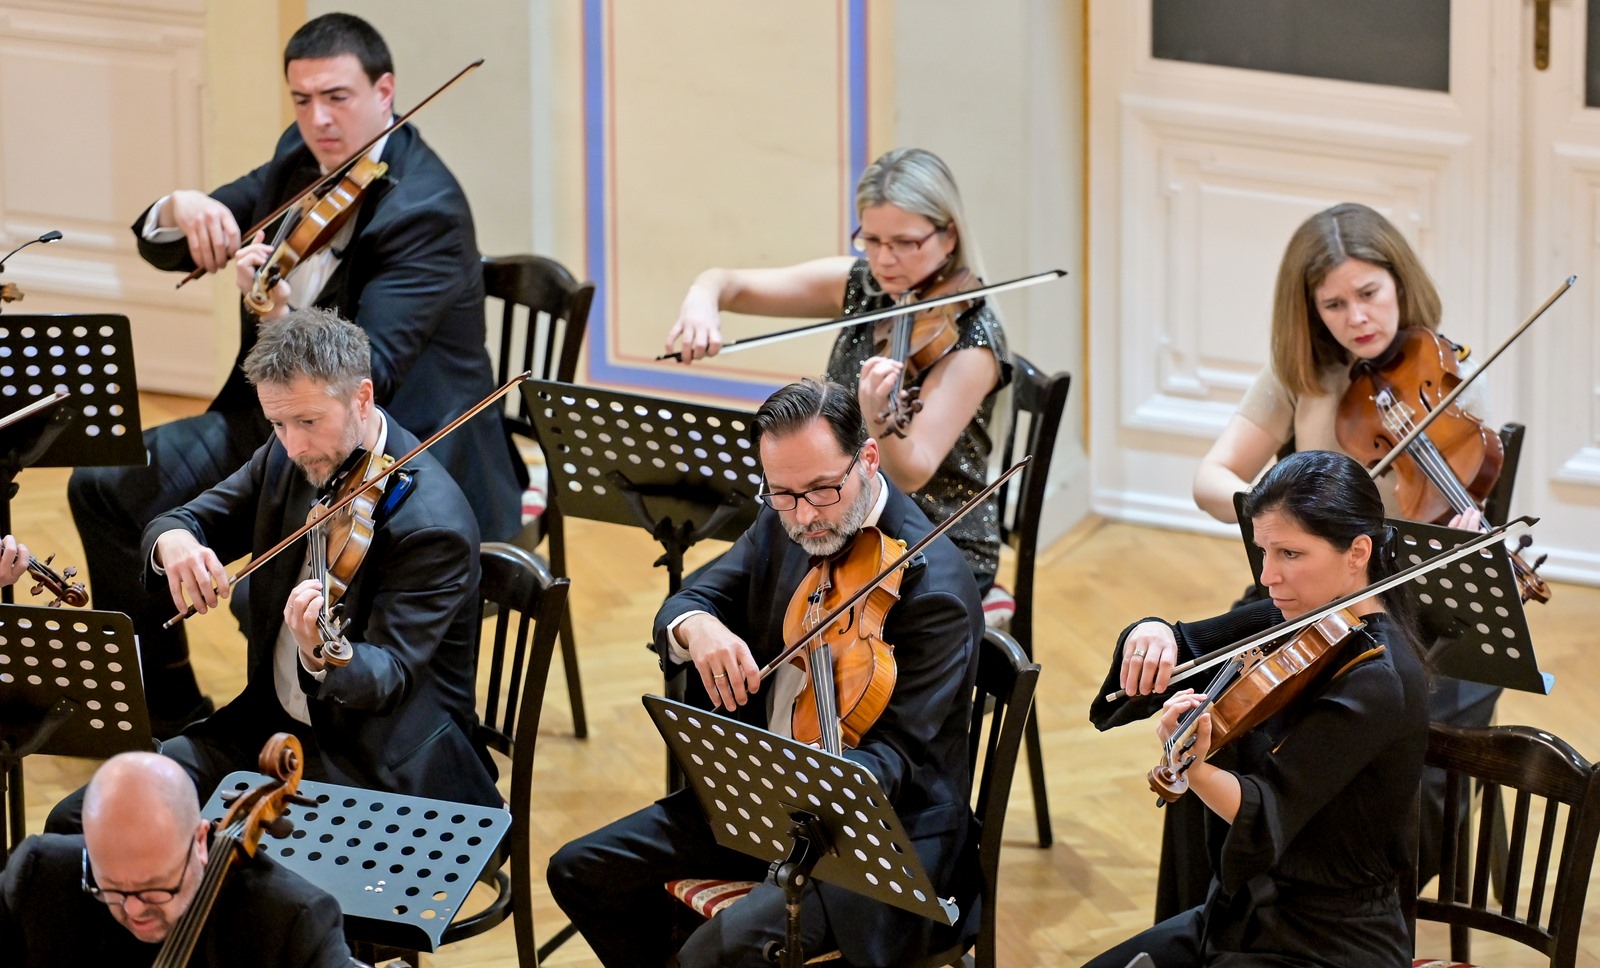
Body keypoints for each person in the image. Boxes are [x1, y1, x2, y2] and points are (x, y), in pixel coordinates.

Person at [67, 12, 520, 734]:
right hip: (280, 423)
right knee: (103, 487)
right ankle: (165, 707)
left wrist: (277, 316)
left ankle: (282, 717)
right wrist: (180, 208)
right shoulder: (301, 152)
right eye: (302, 100)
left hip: (393, 442)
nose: (319, 119)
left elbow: (370, 376)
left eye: (337, 97)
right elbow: (179, 244)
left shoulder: (425, 209)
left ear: (385, 91)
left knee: (264, 581)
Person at [547, 379, 983, 967]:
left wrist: (786, 776)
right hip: (767, 805)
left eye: (822, 490)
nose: (804, 515)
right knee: (580, 871)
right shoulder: (785, 521)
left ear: (868, 459)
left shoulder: (935, 592)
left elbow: (898, 762)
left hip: (875, 841)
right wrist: (697, 628)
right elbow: (691, 600)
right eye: (783, 493)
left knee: (715, 953)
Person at [47, 308, 499, 834]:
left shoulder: (430, 525)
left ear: (362, 397)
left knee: (239, 885)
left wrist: (321, 652)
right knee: (78, 821)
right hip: (265, 732)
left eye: (308, 421)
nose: (293, 444)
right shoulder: (289, 458)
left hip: (371, 766)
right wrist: (174, 542)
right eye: (278, 424)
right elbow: (184, 519)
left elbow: (390, 680)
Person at [1175, 201, 1500, 913]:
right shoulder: (1304, 375)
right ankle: (1217, 912)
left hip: (1416, 623)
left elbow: (1464, 500)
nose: (1357, 318)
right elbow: (1212, 475)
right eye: (1334, 303)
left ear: (1400, 283)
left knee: (1407, 746)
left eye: (1370, 293)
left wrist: (1467, 524)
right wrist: (1285, 515)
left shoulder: (1440, 375)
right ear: (1310, 310)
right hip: (1311, 600)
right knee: (1213, 712)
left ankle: (1349, 907)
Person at [1084, 450, 1430, 967]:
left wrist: (1192, 765)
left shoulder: (1381, 679)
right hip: (1240, 912)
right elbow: (1187, 647)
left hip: (1325, 941)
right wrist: (1149, 631)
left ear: (1358, 552)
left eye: (1290, 554)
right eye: (1263, 551)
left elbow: (1265, 810)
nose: (1268, 576)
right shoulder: (1298, 615)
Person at [664, 147, 1012, 594]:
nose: (885, 259)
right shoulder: (866, 285)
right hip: (840, 513)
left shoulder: (971, 338)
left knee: (749, 611)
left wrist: (876, 416)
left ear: (948, 236)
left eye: (905, 243)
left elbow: (911, 474)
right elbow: (732, 284)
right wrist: (702, 297)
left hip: (932, 537)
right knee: (699, 602)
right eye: (872, 240)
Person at [2, 751, 350, 966]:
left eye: (155, 888)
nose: (134, 909)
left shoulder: (288, 922)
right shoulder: (41, 875)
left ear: (199, 841)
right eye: (109, 887)